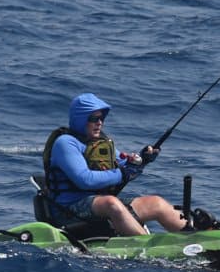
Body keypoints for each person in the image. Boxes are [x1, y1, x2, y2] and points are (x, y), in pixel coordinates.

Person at [43, 93, 186, 236]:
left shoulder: (100, 142)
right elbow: (85, 179)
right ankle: (148, 246)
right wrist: (122, 173)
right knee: (111, 203)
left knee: (156, 203)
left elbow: (125, 166)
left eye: (102, 118)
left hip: (100, 205)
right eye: (94, 119)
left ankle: (196, 235)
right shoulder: (66, 143)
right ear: (80, 119)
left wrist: (142, 160)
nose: (100, 123)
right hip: (69, 210)